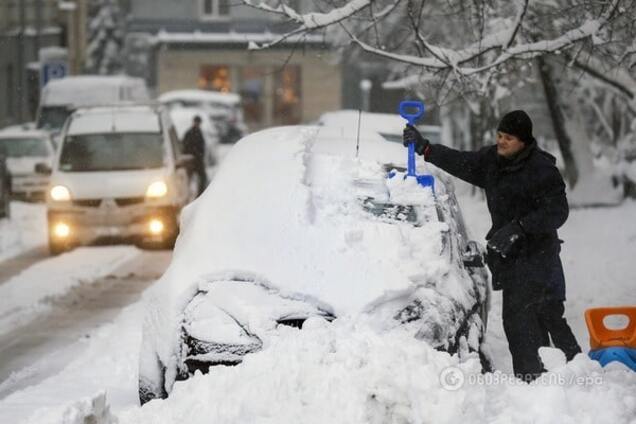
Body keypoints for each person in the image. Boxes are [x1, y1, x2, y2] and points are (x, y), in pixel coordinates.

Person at [403, 110, 581, 382]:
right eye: (499, 135)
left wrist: (519, 227)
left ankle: (580, 377)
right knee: (519, 326)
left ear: (523, 141)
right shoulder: (492, 162)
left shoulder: (542, 169)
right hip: (512, 261)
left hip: (541, 259)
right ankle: (534, 383)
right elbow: (462, 161)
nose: (501, 141)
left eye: (508, 137)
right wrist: (426, 148)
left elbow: (558, 212)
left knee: (550, 319)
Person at [182, 115, 208, 196]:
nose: (197, 124)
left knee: (202, 178)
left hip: (197, 160)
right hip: (191, 160)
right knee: (188, 179)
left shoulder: (198, 132)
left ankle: (200, 194)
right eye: (196, 122)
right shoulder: (190, 133)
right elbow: (185, 146)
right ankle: (188, 194)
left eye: (198, 122)